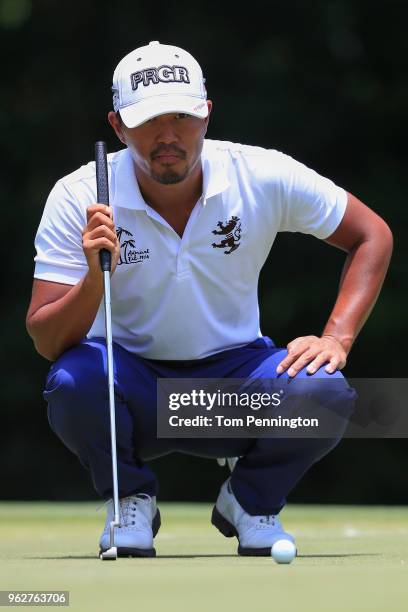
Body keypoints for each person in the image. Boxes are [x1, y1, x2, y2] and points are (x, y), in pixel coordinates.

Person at [26, 41, 393, 558]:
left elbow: (371, 234)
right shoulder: (79, 195)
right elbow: (47, 340)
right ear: (118, 126)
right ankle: (129, 496)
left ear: (207, 115)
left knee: (327, 393)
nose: (168, 135)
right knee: (72, 381)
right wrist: (92, 276)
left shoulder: (260, 173)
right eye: (150, 120)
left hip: (233, 388)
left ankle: (249, 500)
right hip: (130, 393)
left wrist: (337, 336)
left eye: (183, 116)